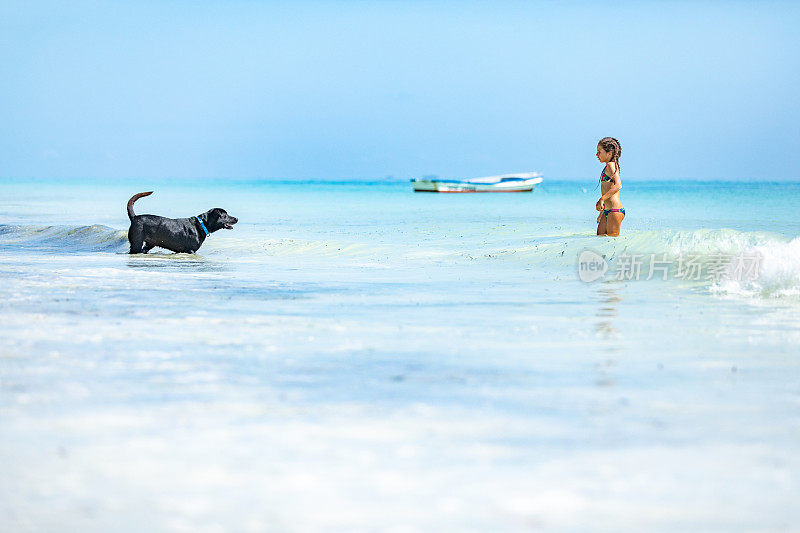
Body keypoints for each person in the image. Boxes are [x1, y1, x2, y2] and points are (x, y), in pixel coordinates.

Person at [595, 137, 625, 236]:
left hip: (615, 210)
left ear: (609, 153)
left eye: (599, 152)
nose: (597, 155)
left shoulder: (611, 165)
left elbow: (618, 185)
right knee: (600, 237)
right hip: (607, 210)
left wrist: (602, 199)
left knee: (612, 243)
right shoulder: (608, 166)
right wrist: (602, 213)